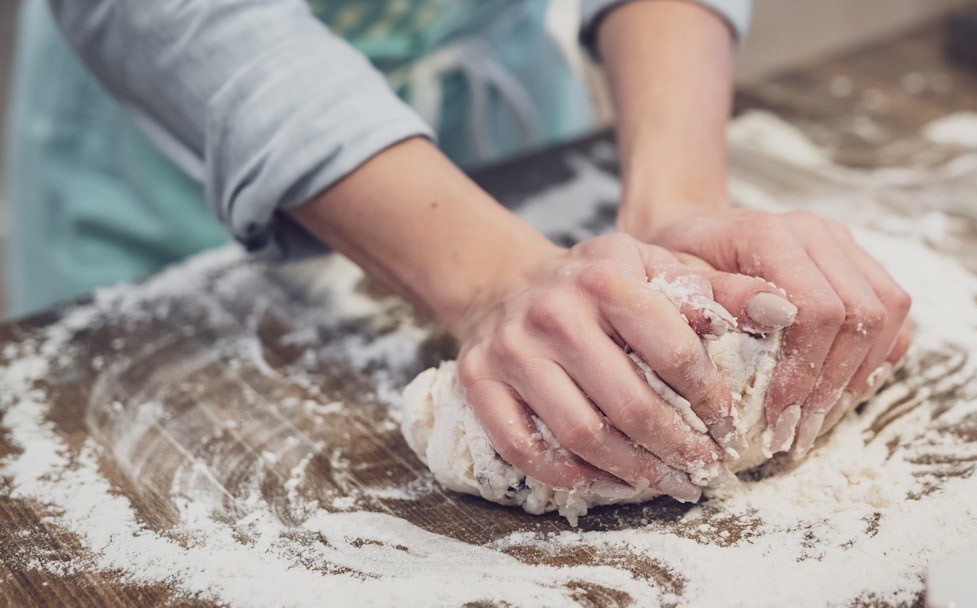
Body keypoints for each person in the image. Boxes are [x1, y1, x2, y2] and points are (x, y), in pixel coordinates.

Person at [4, 0, 911, 502]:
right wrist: (493, 276)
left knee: (588, 338)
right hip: (173, 172)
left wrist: (674, 202)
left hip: (503, 131)